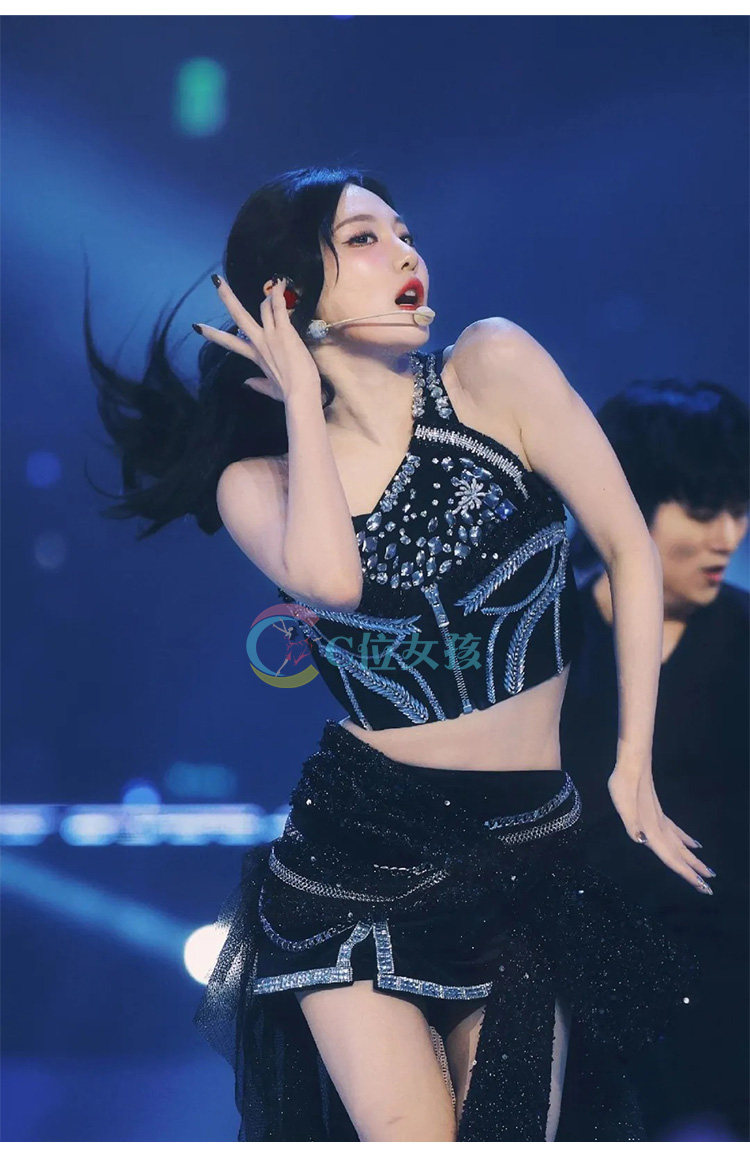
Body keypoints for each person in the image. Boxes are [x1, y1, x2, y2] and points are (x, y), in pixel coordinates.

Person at [85, 166, 709, 1142]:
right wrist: (302, 396)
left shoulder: (493, 366)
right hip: (357, 854)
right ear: (291, 294)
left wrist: (633, 763)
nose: (406, 253)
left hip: (529, 847)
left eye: (404, 233)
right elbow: (332, 584)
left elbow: (630, 547)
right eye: (365, 238)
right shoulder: (259, 480)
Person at [560, 379, 749, 1140]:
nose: (728, 537)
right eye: (703, 511)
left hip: (726, 990)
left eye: (740, 509)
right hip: (569, 984)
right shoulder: (540, 638)